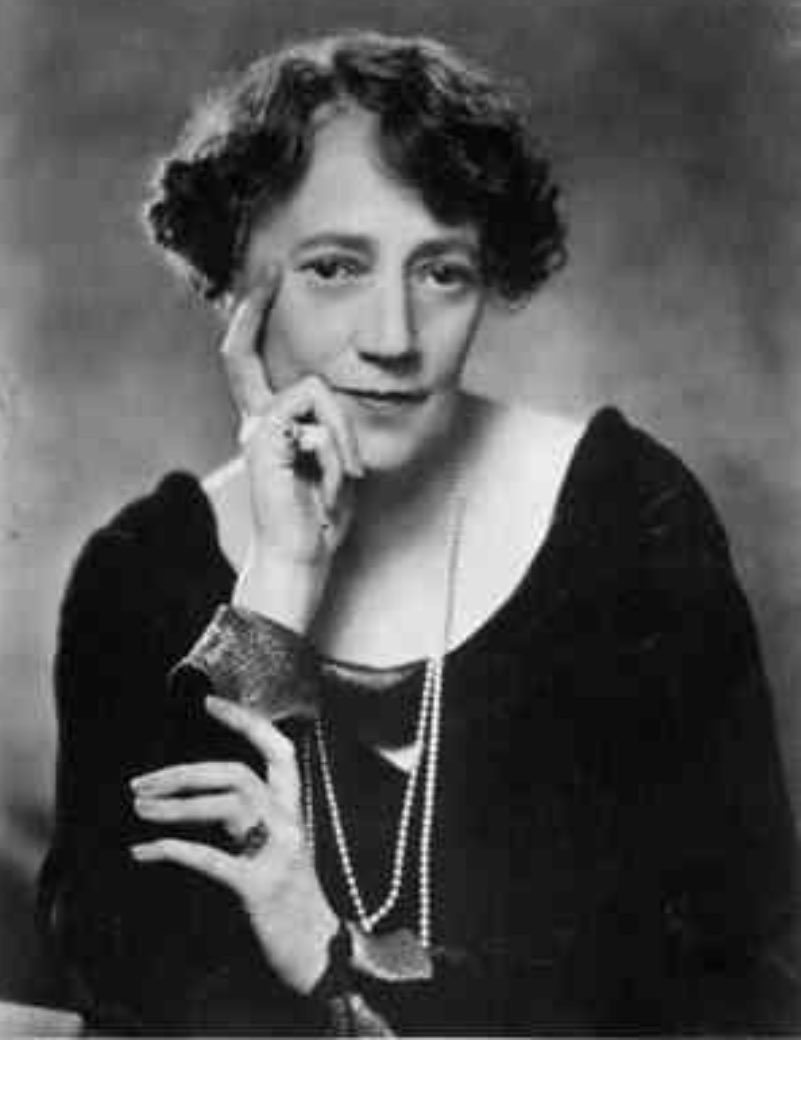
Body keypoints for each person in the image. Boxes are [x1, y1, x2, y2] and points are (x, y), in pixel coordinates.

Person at [38, 30, 798, 1036]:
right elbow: (131, 978)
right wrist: (280, 580)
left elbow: (728, 988)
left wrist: (335, 950)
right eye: (334, 268)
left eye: (442, 272)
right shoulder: (141, 570)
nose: (394, 337)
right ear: (234, 285)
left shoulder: (626, 522)